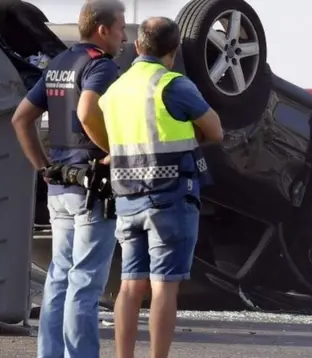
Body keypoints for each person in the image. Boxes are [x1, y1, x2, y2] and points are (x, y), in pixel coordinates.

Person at [94, 16, 223, 358]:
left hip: (126, 198)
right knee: (164, 286)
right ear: (175, 50)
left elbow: (100, 122)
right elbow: (216, 130)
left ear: (137, 46)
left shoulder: (115, 90)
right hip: (169, 197)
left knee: (130, 285)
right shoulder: (174, 85)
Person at [10, 1, 127, 357]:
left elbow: (20, 119)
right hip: (92, 188)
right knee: (86, 284)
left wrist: (42, 167)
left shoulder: (58, 64)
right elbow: (87, 110)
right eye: (121, 28)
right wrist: (113, 151)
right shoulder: (100, 66)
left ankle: (50, 353)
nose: (124, 36)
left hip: (59, 185)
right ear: (102, 29)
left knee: (59, 279)